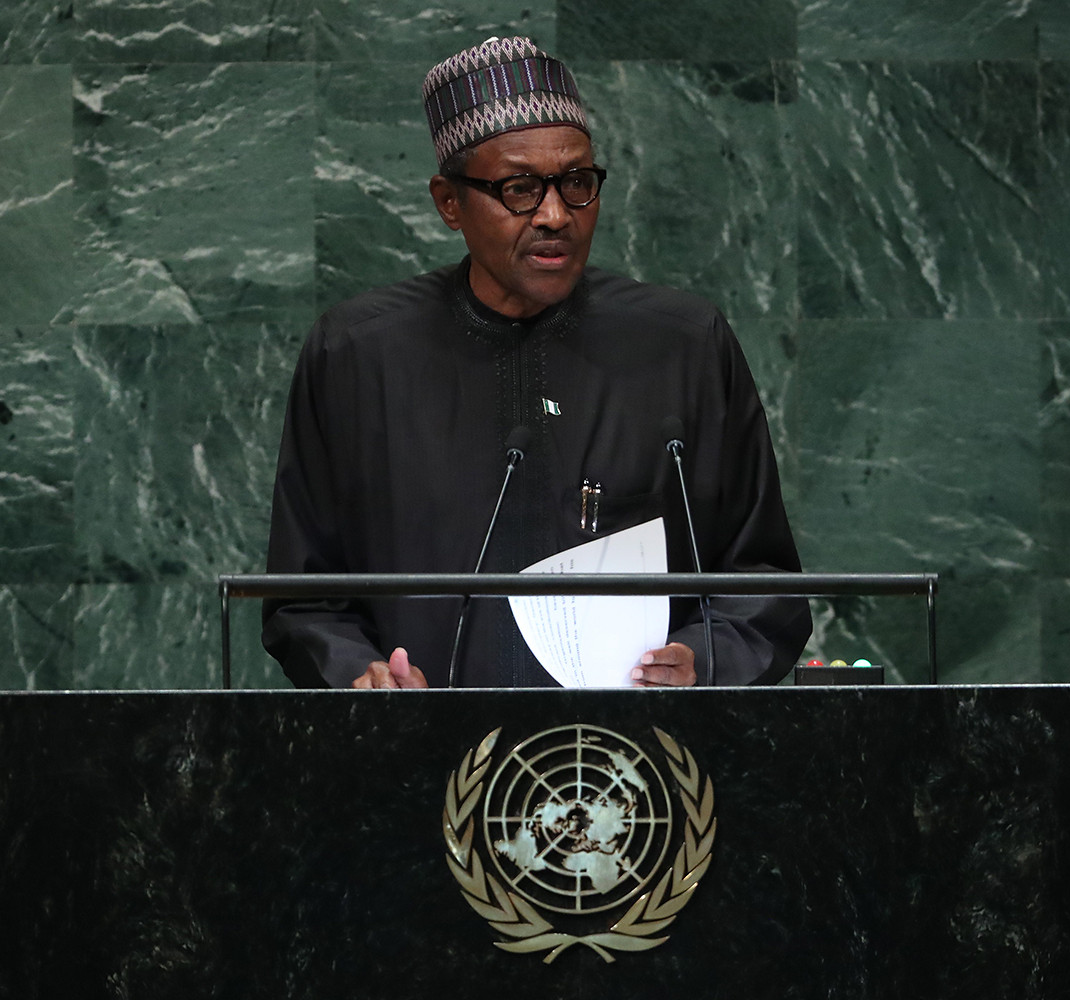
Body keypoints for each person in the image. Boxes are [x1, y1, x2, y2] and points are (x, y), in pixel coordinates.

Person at [262, 36, 811, 689]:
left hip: (631, 767)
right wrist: (360, 674)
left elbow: (763, 585)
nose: (556, 215)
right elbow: (303, 598)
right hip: (420, 760)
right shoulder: (356, 354)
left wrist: (705, 659)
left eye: (577, 183)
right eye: (520, 188)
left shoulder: (682, 345)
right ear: (448, 202)